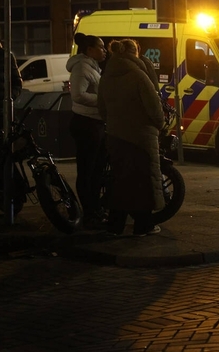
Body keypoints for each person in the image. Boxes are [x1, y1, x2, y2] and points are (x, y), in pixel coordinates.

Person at [98, 39, 166, 236]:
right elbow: (154, 107)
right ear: (135, 52)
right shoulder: (138, 75)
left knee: (120, 181)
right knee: (143, 181)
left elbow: (102, 108)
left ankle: (115, 225)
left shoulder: (107, 76)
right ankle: (143, 225)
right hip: (141, 136)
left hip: (115, 136)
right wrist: (160, 125)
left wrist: (113, 124)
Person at [67, 34, 108, 225]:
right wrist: (102, 100)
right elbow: (78, 95)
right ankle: (89, 212)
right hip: (86, 124)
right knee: (87, 170)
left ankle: (95, 208)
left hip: (95, 122)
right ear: (89, 50)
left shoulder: (92, 66)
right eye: (100, 47)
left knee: (96, 169)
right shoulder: (82, 67)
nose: (104, 50)